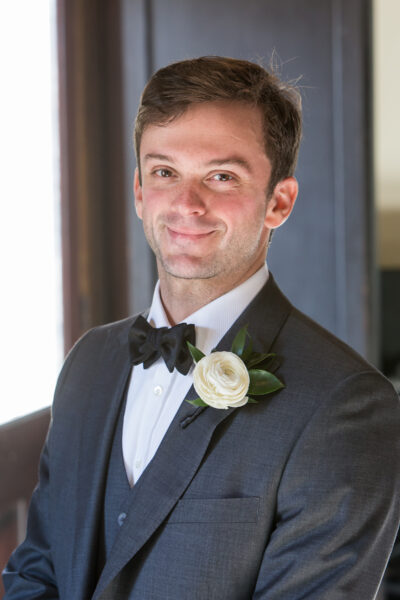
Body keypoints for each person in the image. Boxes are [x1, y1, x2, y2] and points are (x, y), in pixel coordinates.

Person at [3, 56, 400, 600]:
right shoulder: (89, 362)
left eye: (222, 176)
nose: (187, 204)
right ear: (140, 191)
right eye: (165, 172)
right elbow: (37, 571)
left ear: (278, 202)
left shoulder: (345, 404)